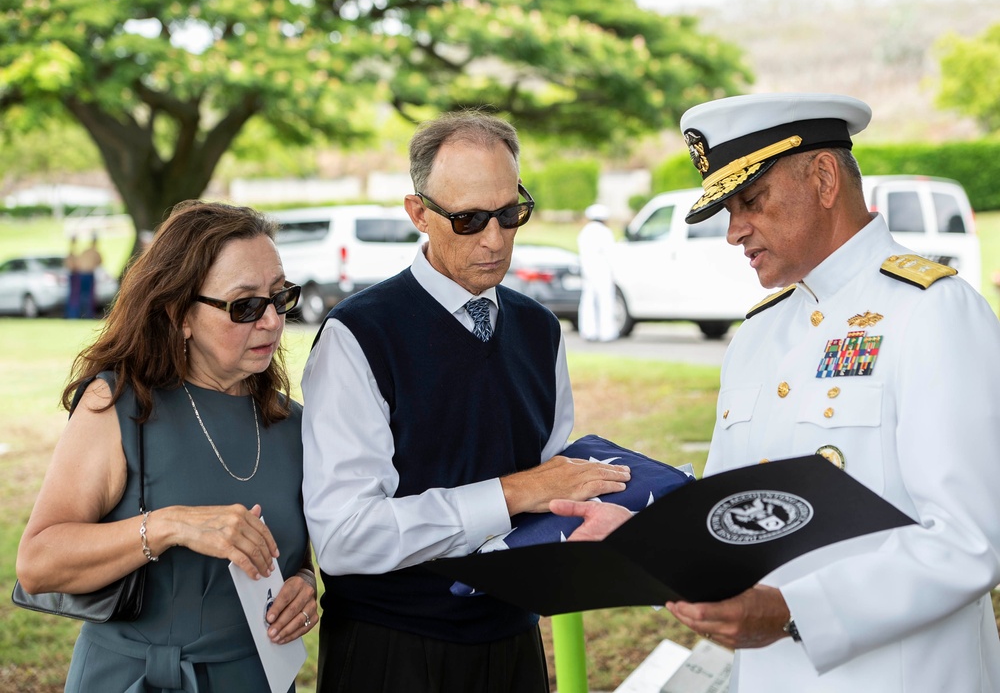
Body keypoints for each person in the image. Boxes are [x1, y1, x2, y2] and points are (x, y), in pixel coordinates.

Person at [552, 93, 1000, 691]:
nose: (735, 231)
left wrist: (795, 611)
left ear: (821, 178)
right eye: (728, 210)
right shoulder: (757, 333)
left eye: (751, 202)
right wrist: (641, 540)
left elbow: (970, 538)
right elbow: (729, 518)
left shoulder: (931, 310)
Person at [301, 110, 632, 693]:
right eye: (469, 219)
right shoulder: (359, 336)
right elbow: (345, 536)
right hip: (392, 653)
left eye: (511, 214)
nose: (495, 238)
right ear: (418, 213)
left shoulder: (538, 329)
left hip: (514, 644)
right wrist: (512, 493)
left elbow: (551, 484)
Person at [16, 200, 317, 692]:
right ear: (180, 314)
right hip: (129, 679)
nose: (271, 322)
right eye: (244, 306)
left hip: (252, 678)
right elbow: (38, 563)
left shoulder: (295, 425)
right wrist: (169, 525)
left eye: (279, 297)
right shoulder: (117, 405)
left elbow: (294, 556)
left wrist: (304, 586)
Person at [576, 203, 619, 342]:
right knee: (606, 300)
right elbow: (611, 254)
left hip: (587, 269)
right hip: (602, 270)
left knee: (587, 300)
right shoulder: (605, 232)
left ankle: (588, 331)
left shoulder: (585, 231)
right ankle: (607, 332)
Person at [75, 232, 103, 318]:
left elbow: (78, 262)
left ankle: (81, 314)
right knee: (89, 295)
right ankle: (88, 314)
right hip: (88, 274)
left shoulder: (85, 251)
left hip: (81, 274)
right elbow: (100, 262)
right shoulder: (95, 252)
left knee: (81, 294)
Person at [64, 234, 82, 318]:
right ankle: (72, 315)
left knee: (74, 296)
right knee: (74, 296)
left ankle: (73, 315)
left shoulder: (72, 252)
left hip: (74, 275)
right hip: (73, 275)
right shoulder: (71, 253)